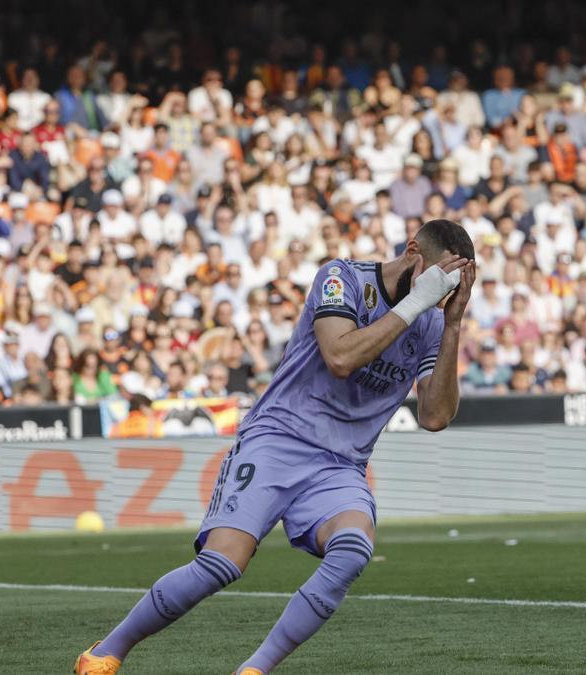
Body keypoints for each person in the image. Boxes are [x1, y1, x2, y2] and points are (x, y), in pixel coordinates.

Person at [75, 220, 476, 674]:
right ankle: (106, 653)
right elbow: (340, 357)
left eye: (452, 285)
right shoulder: (341, 277)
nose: (439, 294)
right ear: (412, 253)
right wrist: (418, 300)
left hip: (340, 465)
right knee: (221, 565)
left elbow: (435, 416)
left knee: (353, 550)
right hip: (277, 439)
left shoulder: (428, 324)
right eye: (438, 279)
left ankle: (254, 671)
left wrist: (451, 324)